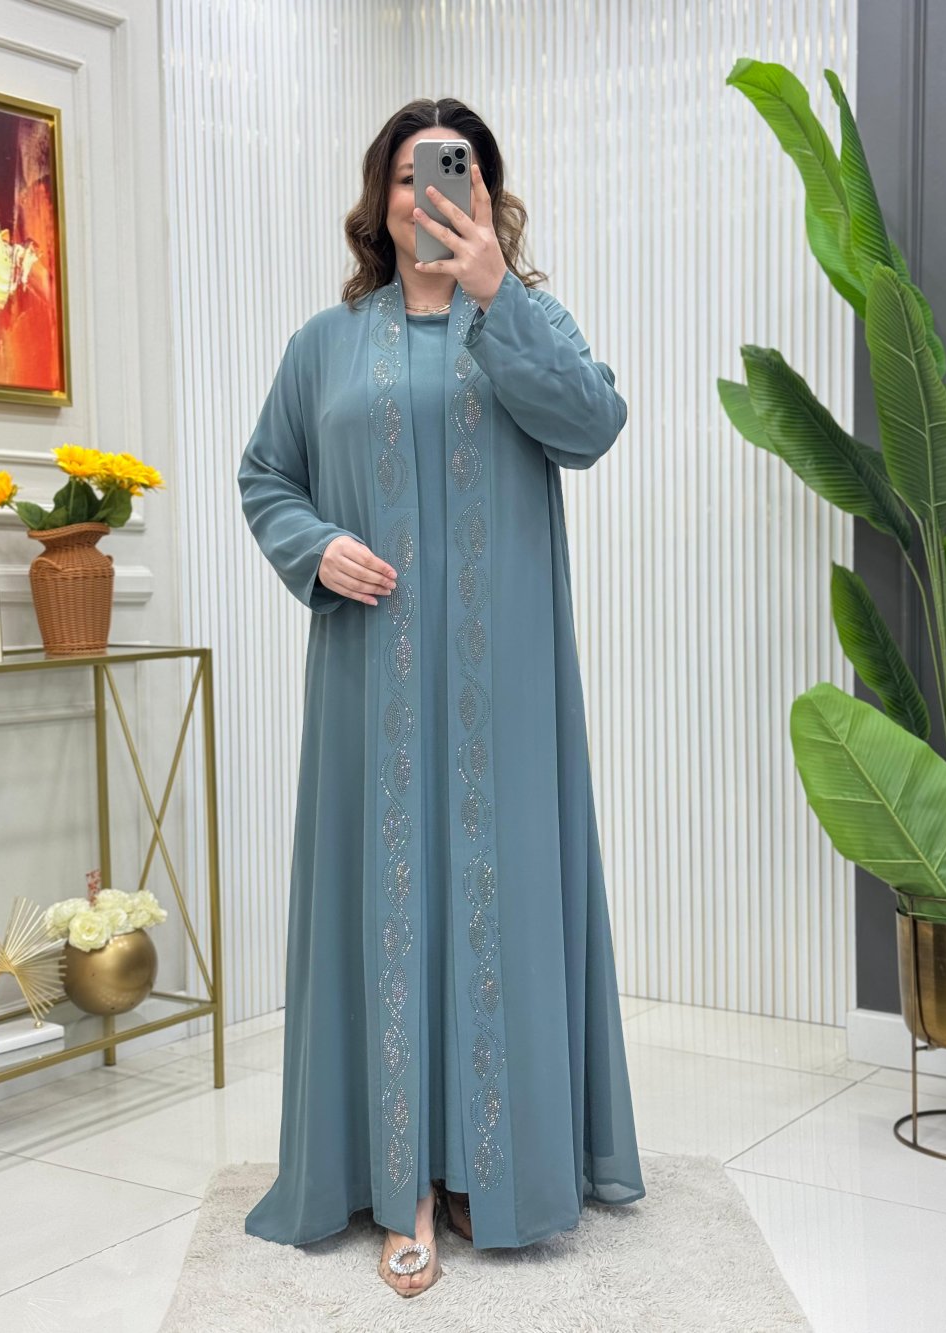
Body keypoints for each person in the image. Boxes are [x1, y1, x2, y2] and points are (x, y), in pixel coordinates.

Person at [237, 96, 645, 1299]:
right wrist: (314, 545)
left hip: (502, 690)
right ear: (382, 196)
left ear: (484, 192)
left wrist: (497, 295)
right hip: (369, 685)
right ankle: (402, 1178)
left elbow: (592, 425)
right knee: (388, 905)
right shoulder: (325, 343)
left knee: (497, 907)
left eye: (453, 173)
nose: (431, 195)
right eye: (412, 175)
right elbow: (266, 474)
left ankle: (493, 1167)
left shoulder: (521, 317)